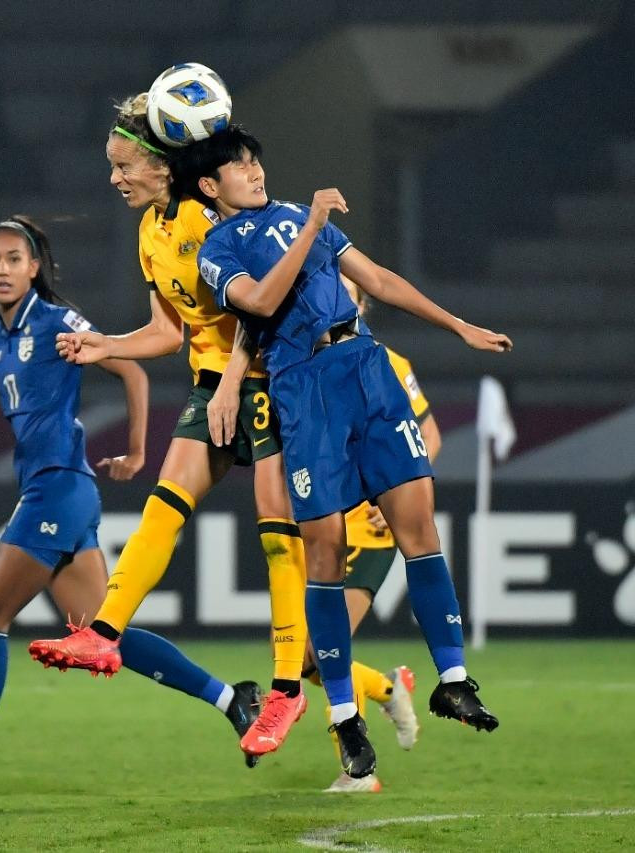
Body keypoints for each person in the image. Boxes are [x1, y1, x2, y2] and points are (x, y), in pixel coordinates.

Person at [0, 216, 262, 802]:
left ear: (34, 267)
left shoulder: (57, 321)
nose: (3, 269)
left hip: (58, 489)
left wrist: (137, 451)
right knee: (101, 631)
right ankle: (230, 698)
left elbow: (131, 370)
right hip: (55, 490)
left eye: (15, 259)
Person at [179, 126, 510, 779]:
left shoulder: (297, 216)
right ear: (210, 186)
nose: (255, 170)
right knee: (325, 551)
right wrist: (313, 226)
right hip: (303, 387)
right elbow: (260, 302)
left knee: (420, 523)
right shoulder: (218, 250)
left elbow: (378, 279)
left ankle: (453, 679)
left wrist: (458, 324)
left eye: (255, 159)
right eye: (239, 166)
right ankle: (345, 717)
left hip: (364, 364)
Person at [26, 94, 313, 763]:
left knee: (278, 536)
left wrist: (235, 382)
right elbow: (167, 331)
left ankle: (286, 688)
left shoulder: (213, 214)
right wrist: (106, 345)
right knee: (164, 504)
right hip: (214, 381)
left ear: (161, 164)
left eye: (124, 165)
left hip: (274, 376)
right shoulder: (150, 232)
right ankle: (103, 633)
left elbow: (265, 306)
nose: (114, 178)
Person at [310, 275, 440, 794]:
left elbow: (427, 435)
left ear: (363, 307)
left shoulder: (389, 363)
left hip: (368, 532)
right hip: (320, 527)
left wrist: (400, 490)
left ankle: (355, 772)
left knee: (327, 647)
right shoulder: (302, 362)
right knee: (304, 661)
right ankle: (387, 688)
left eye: (347, 294)